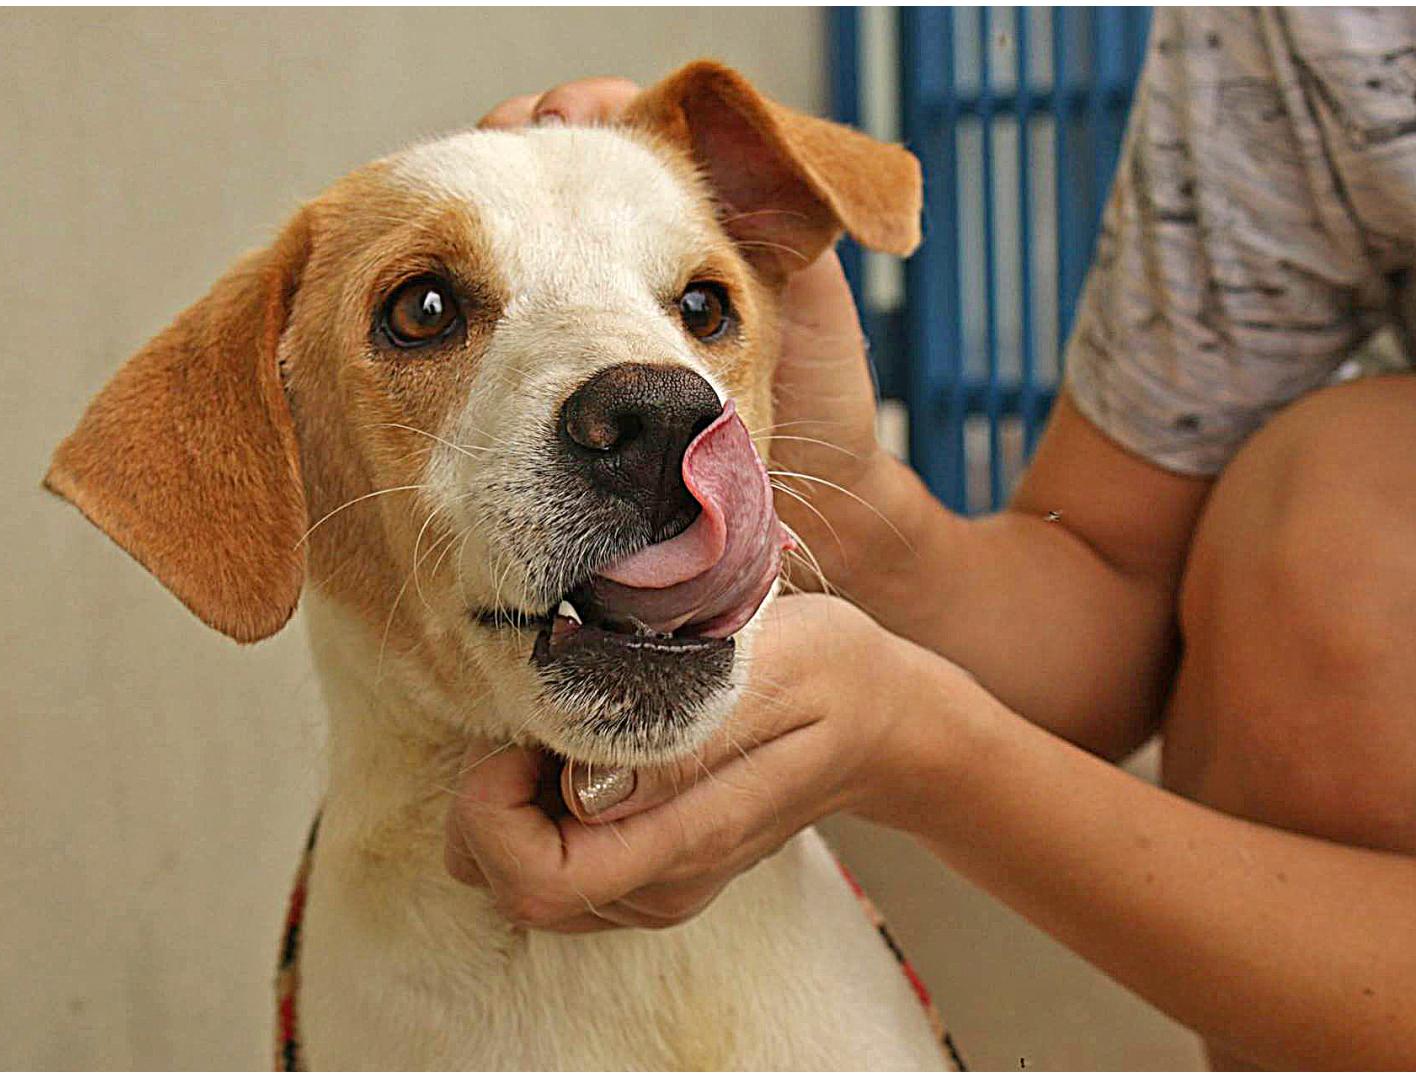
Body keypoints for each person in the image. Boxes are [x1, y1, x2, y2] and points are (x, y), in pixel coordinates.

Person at [445, 10, 1416, 1069]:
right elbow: (1106, 584)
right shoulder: (1307, 32)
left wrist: (921, 747)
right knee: (1337, 509)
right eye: (431, 313)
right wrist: (848, 510)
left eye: (696, 304)